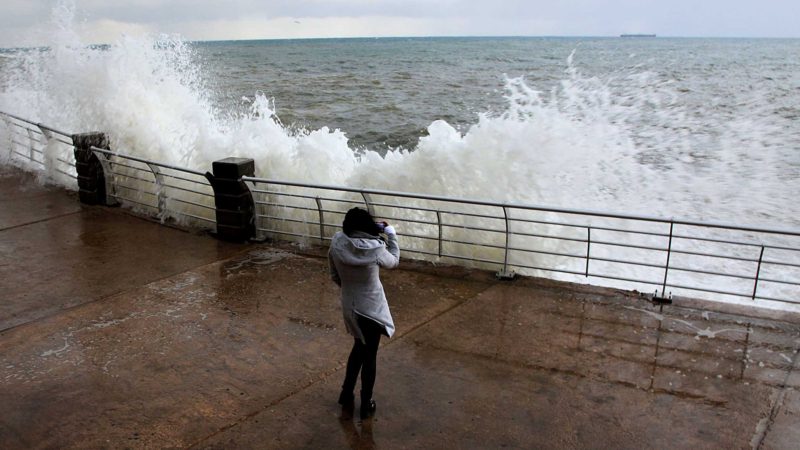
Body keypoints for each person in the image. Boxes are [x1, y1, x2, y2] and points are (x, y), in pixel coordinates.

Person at [328, 207, 400, 420]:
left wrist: (350, 288)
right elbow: (394, 261)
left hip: (350, 305)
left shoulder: (337, 243)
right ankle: (366, 402)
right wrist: (392, 234)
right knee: (369, 356)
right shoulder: (376, 249)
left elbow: (334, 275)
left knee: (359, 348)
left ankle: (346, 393)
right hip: (372, 309)